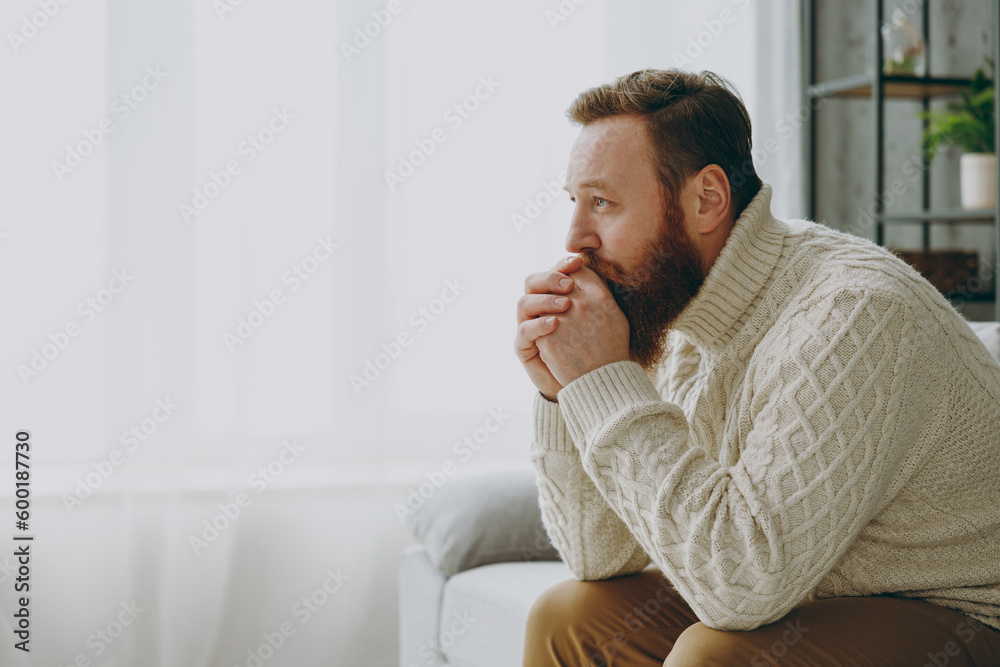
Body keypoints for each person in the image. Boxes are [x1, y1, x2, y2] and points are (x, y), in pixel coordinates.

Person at [513, 68, 1000, 666]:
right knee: (569, 617)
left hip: (961, 614)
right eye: (575, 203)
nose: (575, 238)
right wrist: (567, 394)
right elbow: (598, 556)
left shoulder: (852, 311)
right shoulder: (678, 306)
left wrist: (602, 383)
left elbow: (742, 584)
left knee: (714, 655)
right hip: (810, 593)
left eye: (603, 203)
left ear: (707, 200)